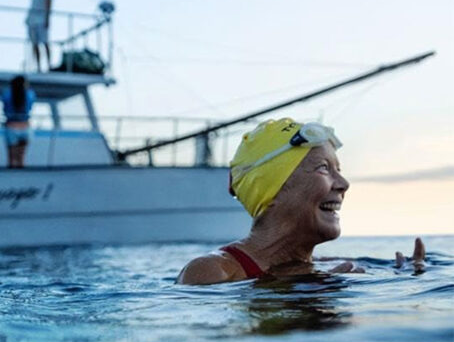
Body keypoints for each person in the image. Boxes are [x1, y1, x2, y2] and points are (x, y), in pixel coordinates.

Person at [177, 118, 426, 285]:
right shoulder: (212, 272)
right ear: (271, 191)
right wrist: (308, 290)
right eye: (323, 168)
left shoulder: (327, 266)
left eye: (338, 169)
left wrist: (408, 274)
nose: (343, 183)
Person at [1, 76, 36, 168]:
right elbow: (31, 107)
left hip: (11, 126)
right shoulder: (30, 94)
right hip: (25, 127)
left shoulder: (7, 94)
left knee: (11, 159)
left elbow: (4, 109)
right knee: (21, 158)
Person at [26, 0, 52, 72]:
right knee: (34, 42)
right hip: (33, 16)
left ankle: (49, 65)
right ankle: (38, 66)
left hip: (42, 16)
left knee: (45, 41)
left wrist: (47, 17)